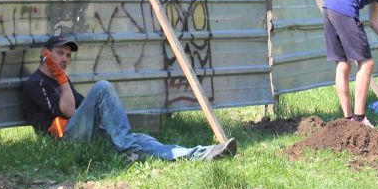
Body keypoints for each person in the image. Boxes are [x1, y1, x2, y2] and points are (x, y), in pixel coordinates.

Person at [22, 35, 237, 161]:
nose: (65, 59)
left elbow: (81, 110)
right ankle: (127, 148)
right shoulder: (35, 84)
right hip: (64, 142)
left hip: (81, 133)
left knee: (143, 139)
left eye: (68, 55)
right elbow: (68, 112)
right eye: (60, 53)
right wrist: (60, 77)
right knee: (103, 88)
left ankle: (202, 154)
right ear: (45, 53)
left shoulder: (62, 81)